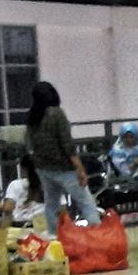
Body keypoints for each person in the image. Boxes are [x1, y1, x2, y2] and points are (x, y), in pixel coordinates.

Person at [25, 82, 102, 232]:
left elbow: (29, 144)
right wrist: (79, 168)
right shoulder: (57, 114)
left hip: (43, 168)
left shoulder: (32, 116)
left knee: (51, 204)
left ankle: (55, 237)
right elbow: (67, 144)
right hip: (64, 168)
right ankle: (96, 234)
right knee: (86, 202)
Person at [0, 156, 47, 226]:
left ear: (23, 169)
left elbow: (8, 208)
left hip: (20, 227)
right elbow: (62, 209)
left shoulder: (16, 184)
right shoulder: (50, 185)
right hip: (44, 226)